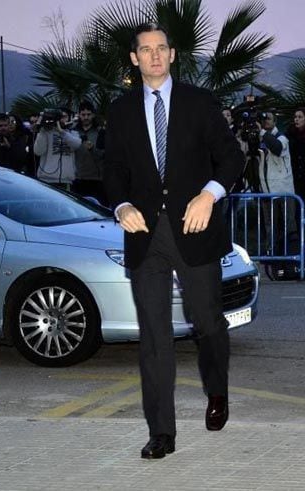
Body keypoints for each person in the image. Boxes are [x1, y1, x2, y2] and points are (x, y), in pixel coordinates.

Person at [103, 23, 244, 460]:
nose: (155, 55)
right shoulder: (121, 110)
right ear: (134, 59)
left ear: (172, 53)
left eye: (161, 48)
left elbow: (233, 158)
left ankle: (216, 390)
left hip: (196, 230)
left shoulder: (199, 103)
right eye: (146, 50)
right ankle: (161, 432)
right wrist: (121, 206)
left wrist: (210, 194)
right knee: (154, 336)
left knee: (209, 325)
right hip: (145, 237)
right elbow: (112, 172)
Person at [257, 111, 299, 257]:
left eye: (268, 119)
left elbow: (277, 148)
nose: (265, 121)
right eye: (263, 119)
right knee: (270, 226)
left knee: (289, 224)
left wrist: (262, 132)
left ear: (275, 122)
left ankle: (291, 254)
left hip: (283, 189)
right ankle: (272, 254)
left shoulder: (281, 137)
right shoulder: (259, 138)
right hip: (266, 189)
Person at [34, 108, 81, 189]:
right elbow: (38, 151)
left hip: (66, 180)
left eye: (64, 117)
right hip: (46, 179)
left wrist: (62, 132)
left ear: (69, 118)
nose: (61, 120)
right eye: (59, 117)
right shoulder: (46, 132)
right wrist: (41, 131)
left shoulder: (73, 133)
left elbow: (76, 145)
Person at [73, 101, 106, 203]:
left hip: (96, 179)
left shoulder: (101, 132)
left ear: (93, 115)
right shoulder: (73, 131)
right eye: (83, 115)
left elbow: (104, 155)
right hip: (76, 178)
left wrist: (92, 149)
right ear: (79, 115)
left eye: (88, 114)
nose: (86, 117)